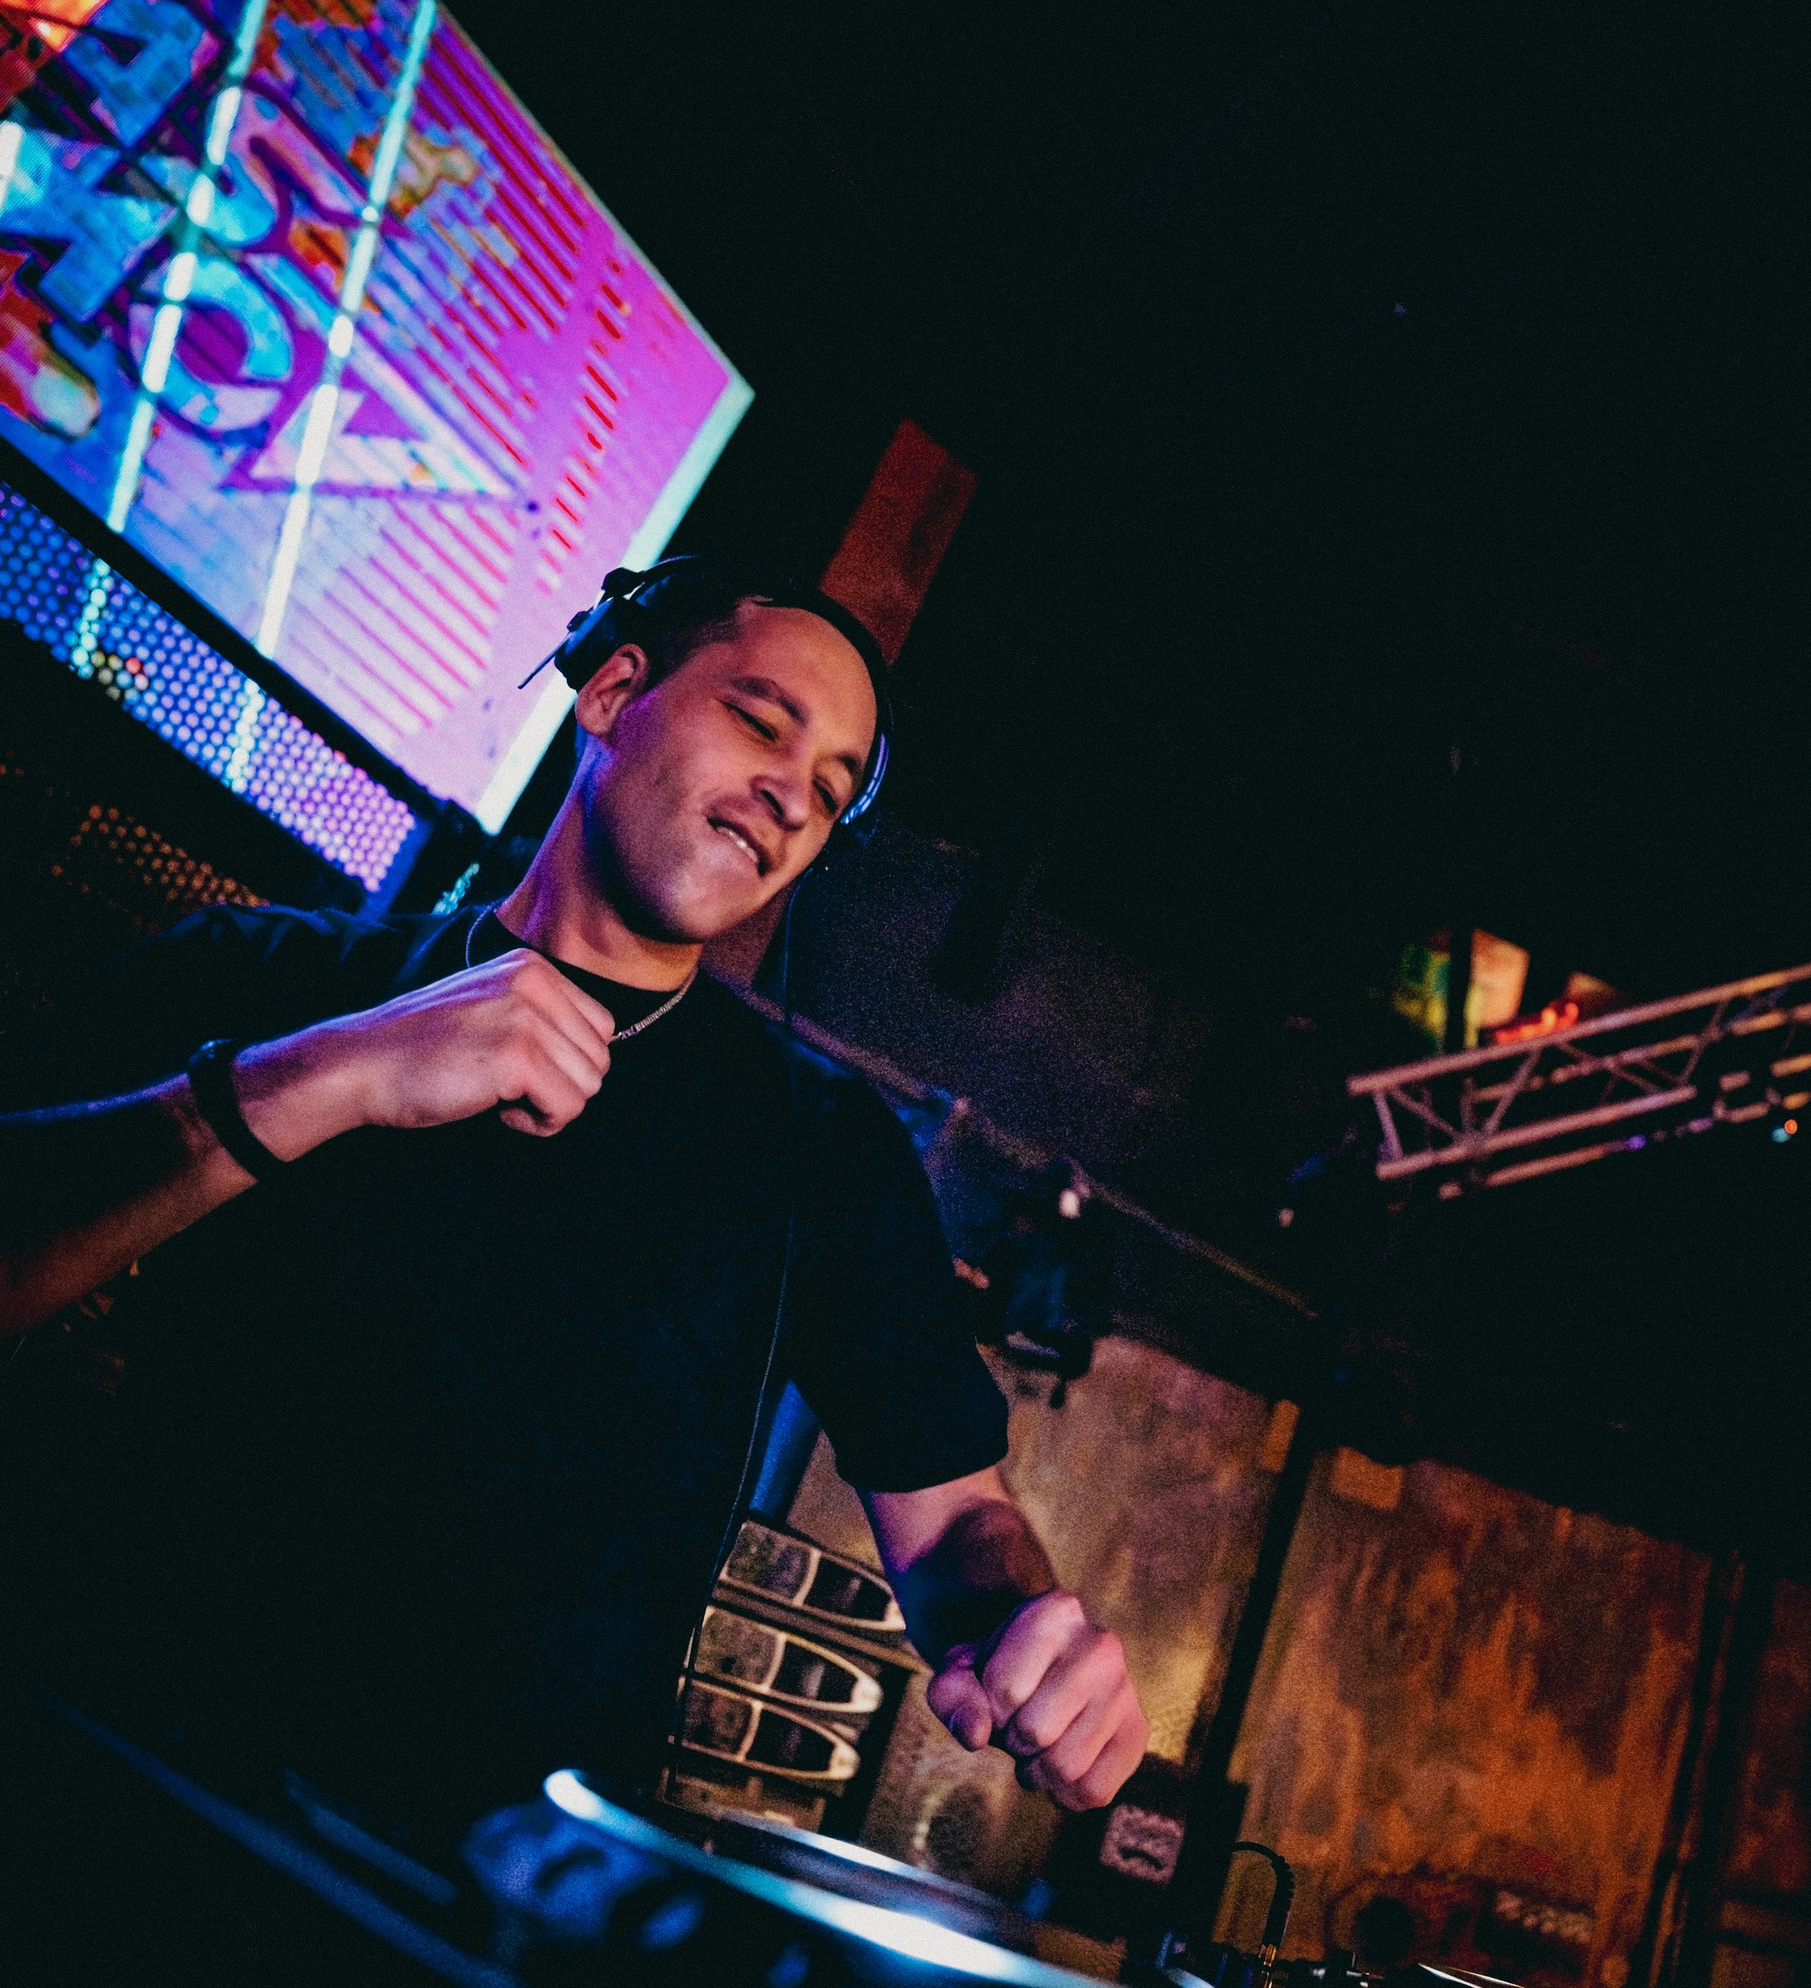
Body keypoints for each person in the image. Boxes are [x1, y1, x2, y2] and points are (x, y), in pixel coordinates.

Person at [0, 560, 1149, 1847]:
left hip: (486, 1890)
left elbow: (952, 1522)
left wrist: (1022, 1629)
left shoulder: (822, 1150)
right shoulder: (262, 980)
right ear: (611, 693)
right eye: (762, 723)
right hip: (108, 1782)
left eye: (831, 794)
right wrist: (325, 1075)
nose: (791, 797)